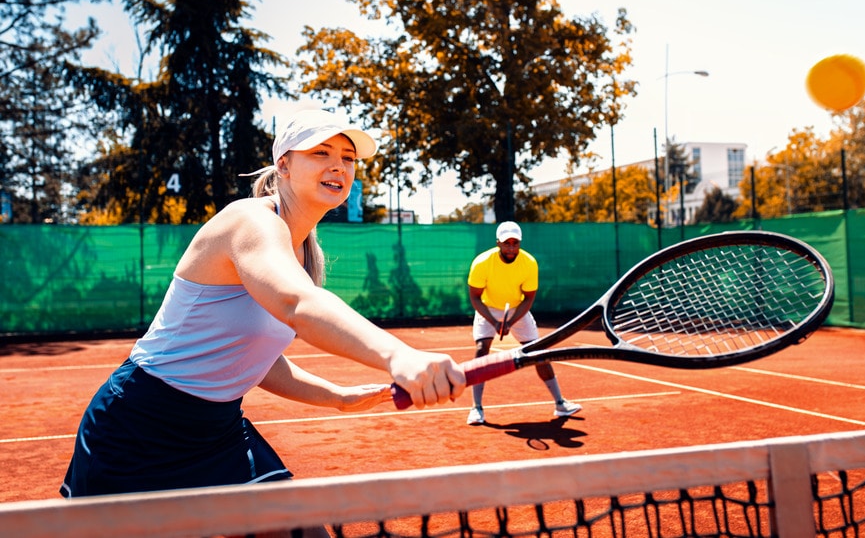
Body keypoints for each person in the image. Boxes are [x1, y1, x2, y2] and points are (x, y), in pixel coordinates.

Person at [60, 108, 466, 502]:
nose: (338, 166)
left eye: (348, 158)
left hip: (218, 430)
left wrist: (337, 397)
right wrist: (399, 355)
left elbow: (257, 358)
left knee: (300, 530)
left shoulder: (304, 255)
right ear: (283, 166)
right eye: (320, 153)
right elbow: (296, 304)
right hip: (139, 424)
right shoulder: (249, 221)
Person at [465, 221, 581, 425]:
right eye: (506, 243)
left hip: (517, 308)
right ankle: (476, 408)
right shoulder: (482, 263)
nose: (511, 248)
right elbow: (475, 297)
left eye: (515, 243)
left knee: (538, 352)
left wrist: (510, 322)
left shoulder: (529, 263)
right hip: (488, 308)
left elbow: (528, 298)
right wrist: (493, 321)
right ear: (498, 243)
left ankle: (560, 404)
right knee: (481, 350)